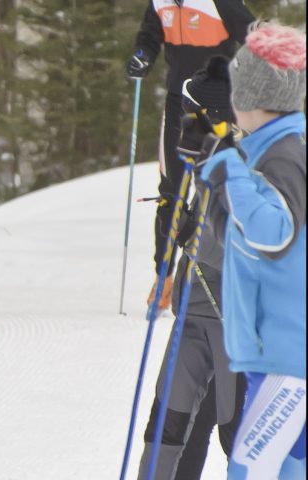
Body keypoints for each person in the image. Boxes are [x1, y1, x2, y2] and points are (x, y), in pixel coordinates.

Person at [198, 22, 305, 480]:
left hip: (286, 352)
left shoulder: (282, 154)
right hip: (278, 349)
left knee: (248, 466)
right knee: (285, 466)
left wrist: (229, 173)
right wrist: (218, 185)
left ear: (252, 99)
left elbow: (274, 233)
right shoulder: (270, 151)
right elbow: (245, 241)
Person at [136, 55, 245, 480]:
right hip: (192, 312)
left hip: (232, 319)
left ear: (216, 119)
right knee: (167, 425)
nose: (182, 121)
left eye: (190, 114)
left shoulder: (246, 165)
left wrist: (193, 239)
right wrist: (170, 235)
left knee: (235, 434)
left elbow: (250, 246)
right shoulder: (199, 161)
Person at [127, 0, 253, 310]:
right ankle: (164, 274)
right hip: (177, 103)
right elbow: (149, 35)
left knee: (222, 186)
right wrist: (142, 55)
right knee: (171, 189)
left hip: (219, 103)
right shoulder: (159, 2)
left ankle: (234, 275)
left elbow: (254, 38)